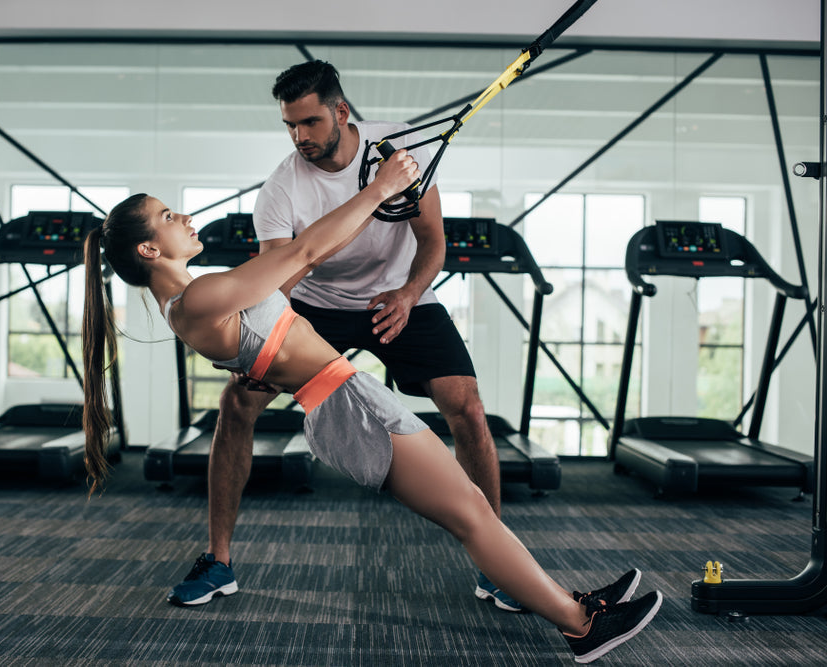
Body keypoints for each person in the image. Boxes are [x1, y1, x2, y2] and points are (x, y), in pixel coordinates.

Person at [81, 154, 662, 664]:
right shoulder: (200, 297)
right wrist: (379, 189)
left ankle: (574, 604)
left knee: (472, 511)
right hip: (349, 408)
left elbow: (300, 271)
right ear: (149, 249)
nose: (184, 217)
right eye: (167, 216)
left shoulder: (195, 303)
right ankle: (580, 626)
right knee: (473, 516)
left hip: (347, 401)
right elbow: (305, 249)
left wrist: (366, 210)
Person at [171, 58, 522, 612]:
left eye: (309, 122)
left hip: (402, 297)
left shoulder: (399, 152)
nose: (299, 136)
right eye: (289, 125)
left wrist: (408, 293)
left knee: (468, 407)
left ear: (340, 111)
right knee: (237, 404)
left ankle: (501, 566)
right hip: (318, 305)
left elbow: (433, 239)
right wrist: (252, 345)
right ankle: (218, 561)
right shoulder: (282, 187)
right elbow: (277, 278)